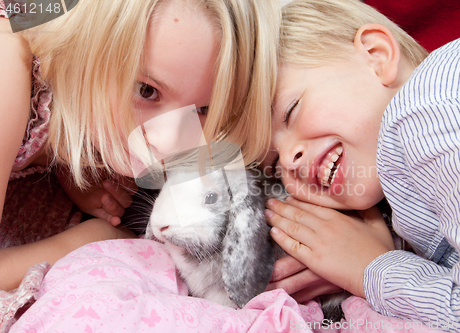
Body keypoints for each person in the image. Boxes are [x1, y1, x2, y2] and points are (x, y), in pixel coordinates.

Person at [0, 0, 279, 293]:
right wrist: (93, 239)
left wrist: (68, 163)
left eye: (204, 109)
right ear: (94, 41)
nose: (169, 142)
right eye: (147, 91)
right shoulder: (9, 56)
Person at [263, 0, 460, 330]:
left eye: (291, 111)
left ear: (377, 56)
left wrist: (370, 267)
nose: (289, 159)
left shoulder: (430, 114)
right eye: (274, 164)